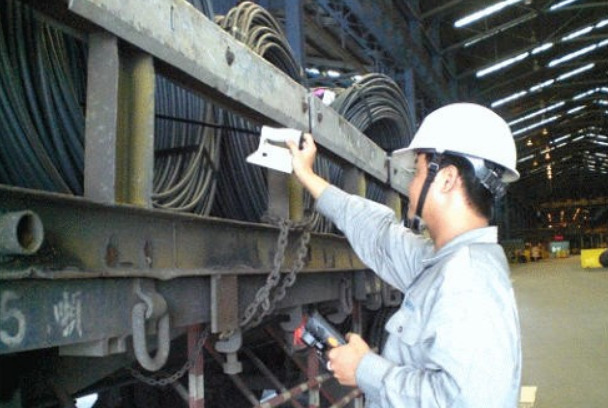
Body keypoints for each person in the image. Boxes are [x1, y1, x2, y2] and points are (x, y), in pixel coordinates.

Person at [287, 103, 522, 407]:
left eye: (417, 171)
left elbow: (469, 401)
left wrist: (364, 369)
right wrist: (307, 175)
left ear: (447, 178)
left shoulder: (467, 278)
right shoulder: (442, 263)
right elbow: (380, 236)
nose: (410, 185)